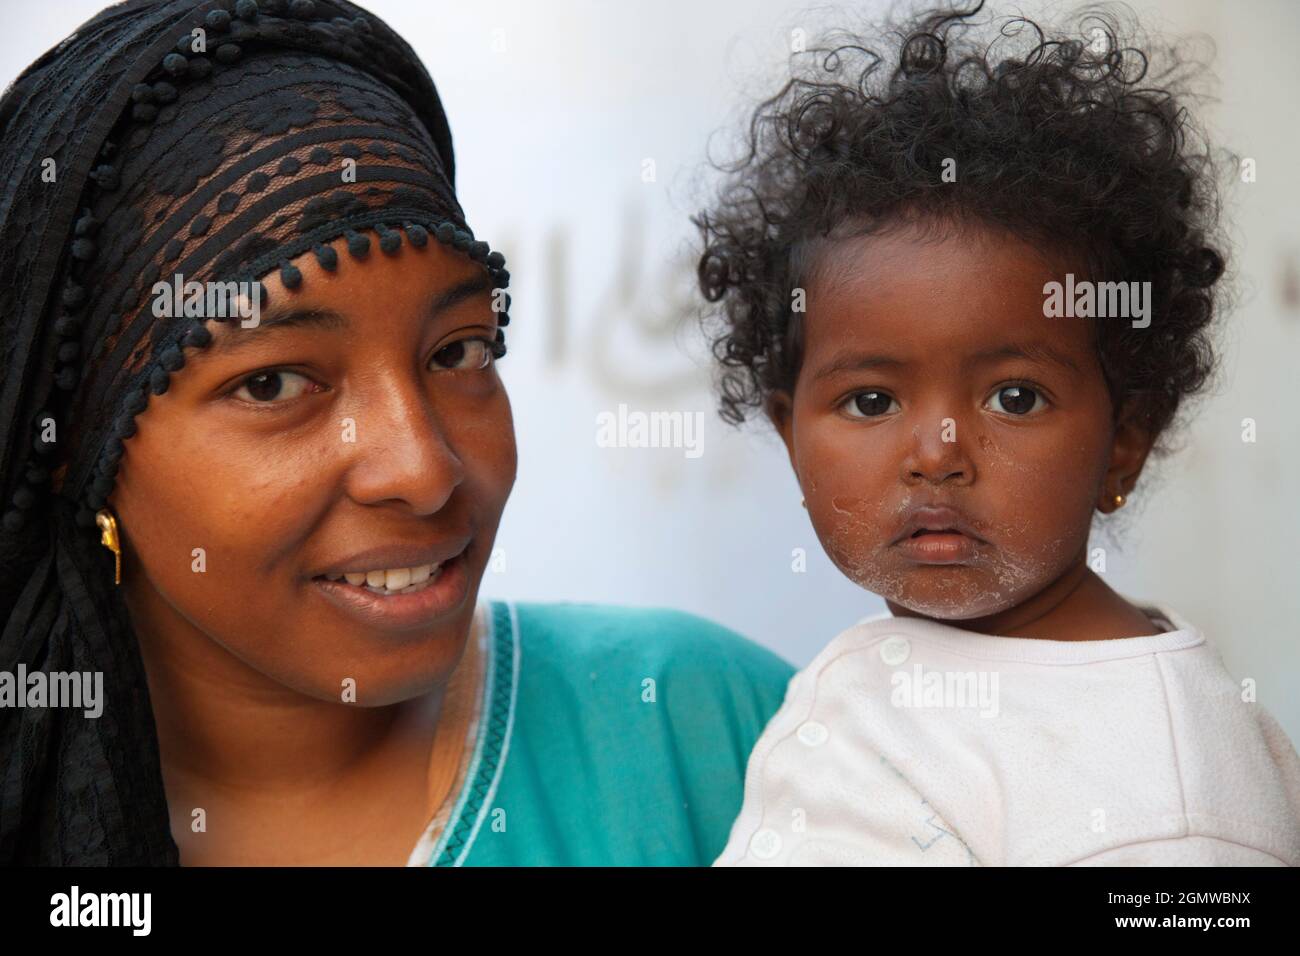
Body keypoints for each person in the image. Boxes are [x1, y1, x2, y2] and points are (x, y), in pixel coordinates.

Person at [0, 0, 792, 866]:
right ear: (74, 439)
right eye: (273, 383)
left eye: (457, 351)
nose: (423, 468)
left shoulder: (720, 738)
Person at [694, 1, 1300, 865]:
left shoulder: (1166, 802)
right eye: (871, 402)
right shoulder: (904, 689)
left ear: (1123, 439)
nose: (937, 453)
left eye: (1015, 397)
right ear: (791, 435)